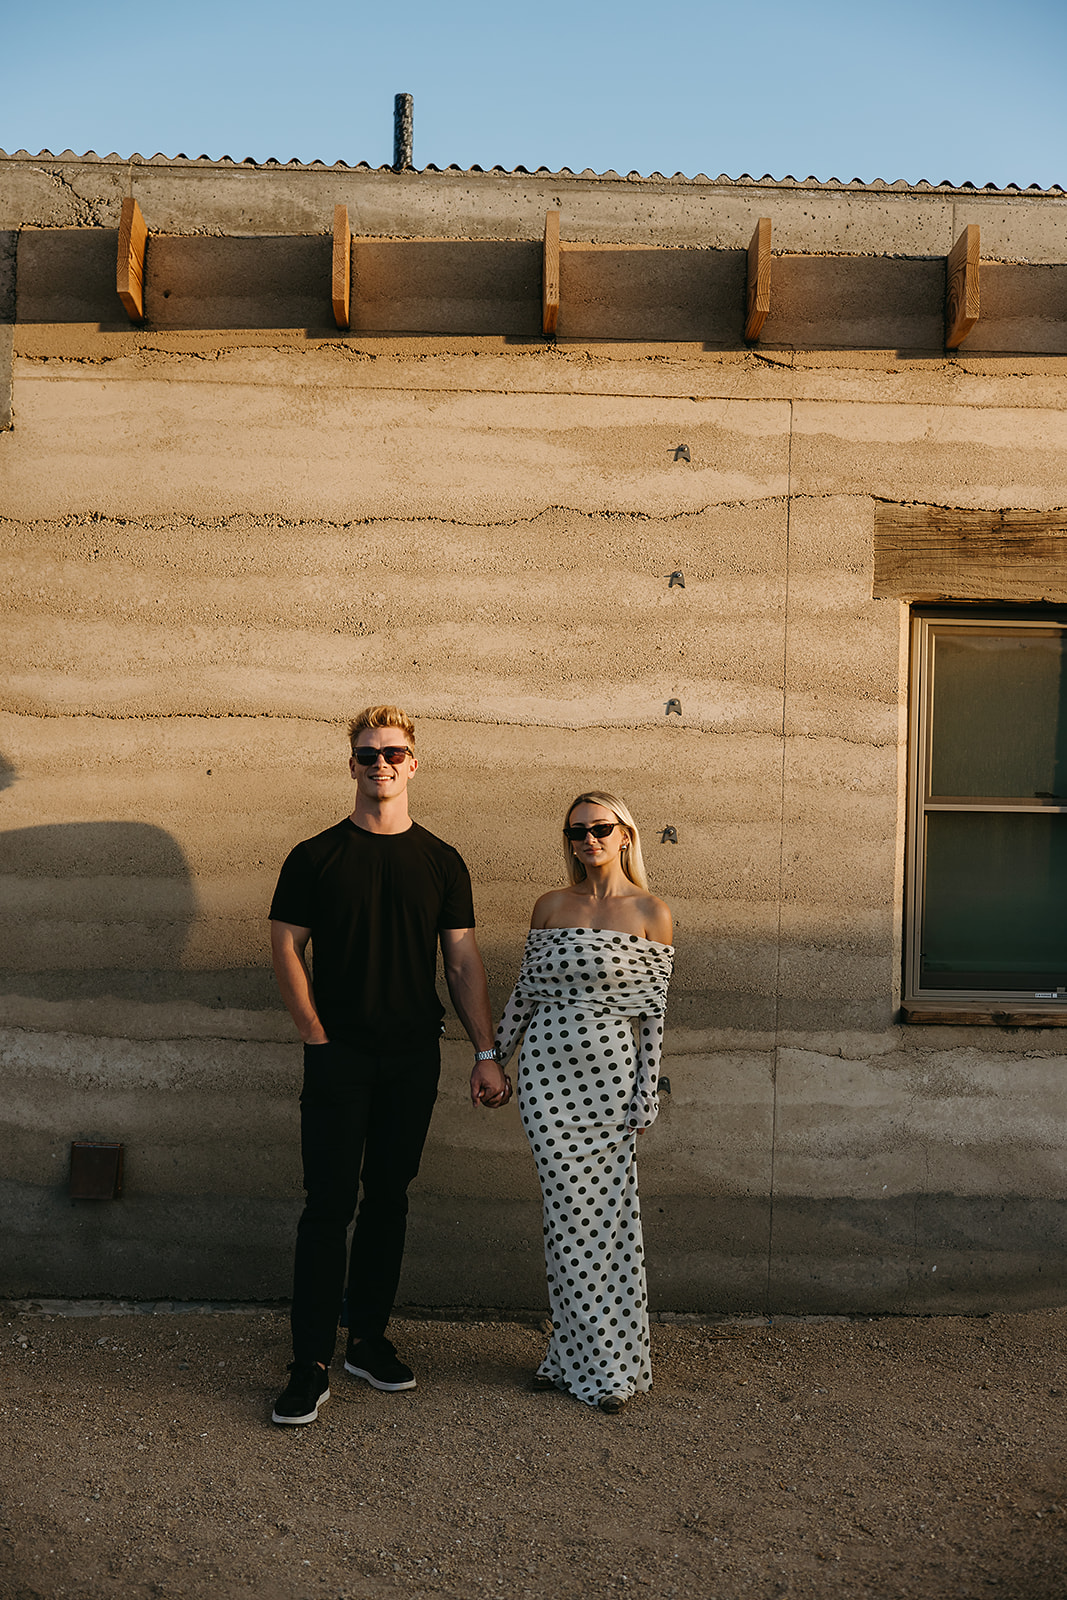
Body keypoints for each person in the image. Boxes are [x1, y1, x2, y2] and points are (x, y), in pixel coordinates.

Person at [268, 705, 510, 1426]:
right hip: (337, 1056)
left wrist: (485, 1052)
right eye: (368, 754)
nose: (381, 764)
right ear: (351, 765)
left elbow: (461, 959)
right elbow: (286, 947)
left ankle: (367, 1340)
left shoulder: (441, 860)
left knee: (390, 1198)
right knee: (326, 1207)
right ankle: (309, 1364)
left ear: (413, 763)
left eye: (393, 753)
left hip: (411, 1055)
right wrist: (315, 1035)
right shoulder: (314, 856)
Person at [494, 791, 673, 1413]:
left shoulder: (652, 912)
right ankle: (597, 1365)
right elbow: (524, 994)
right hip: (547, 1080)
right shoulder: (550, 907)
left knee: (608, 1217)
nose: (588, 840)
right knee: (569, 1213)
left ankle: (579, 1357)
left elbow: (652, 1019)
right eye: (576, 832)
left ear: (625, 834)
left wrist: (646, 1092)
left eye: (600, 828)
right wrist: (493, 1057)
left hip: (612, 1083)